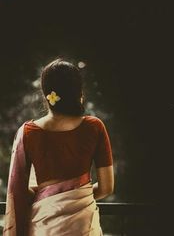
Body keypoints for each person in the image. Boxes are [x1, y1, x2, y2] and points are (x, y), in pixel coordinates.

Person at [3, 58, 114, 236]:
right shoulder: (95, 127)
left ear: (46, 94)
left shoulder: (27, 132)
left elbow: (19, 190)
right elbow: (106, 188)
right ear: (79, 92)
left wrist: (48, 196)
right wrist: (76, 194)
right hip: (84, 227)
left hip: (43, 226)